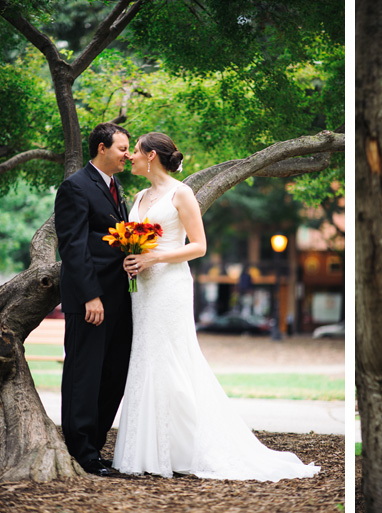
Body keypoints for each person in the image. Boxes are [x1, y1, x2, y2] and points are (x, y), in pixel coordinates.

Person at [112, 132, 319, 481]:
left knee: (173, 360)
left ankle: (184, 448)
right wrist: (132, 260)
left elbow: (200, 246)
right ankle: (147, 449)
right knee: (146, 357)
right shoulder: (139, 196)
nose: (130, 156)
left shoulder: (181, 193)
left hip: (169, 286)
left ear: (150, 155)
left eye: (135, 151)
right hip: (143, 288)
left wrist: (156, 257)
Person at [54, 123, 133, 476]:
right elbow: (73, 246)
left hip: (121, 299)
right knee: (84, 374)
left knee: (114, 373)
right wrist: (91, 297)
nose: (127, 155)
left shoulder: (118, 189)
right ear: (102, 148)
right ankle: (80, 451)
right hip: (91, 300)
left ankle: (95, 448)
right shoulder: (75, 186)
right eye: (122, 149)